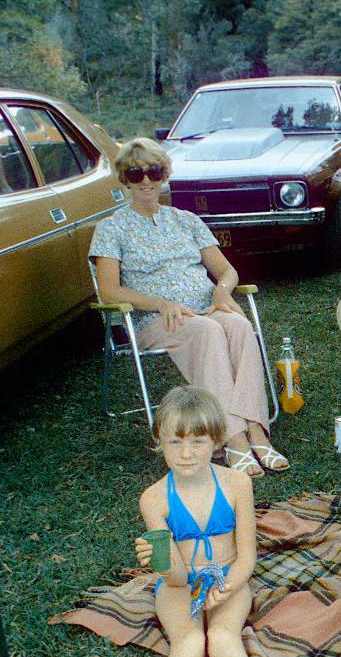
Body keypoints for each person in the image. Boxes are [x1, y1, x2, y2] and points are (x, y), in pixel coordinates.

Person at [91, 137, 286, 478]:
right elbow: (108, 290)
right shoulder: (111, 228)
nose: (146, 181)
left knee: (238, 326)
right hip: (156, 318)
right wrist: (162, 303)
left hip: (204, 308)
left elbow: (225, 271)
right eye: (136, 174)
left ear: (164, 174)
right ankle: (234, 439)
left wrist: (221, 294)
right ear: (125, 179)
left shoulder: (186, 220)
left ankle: (257, 430)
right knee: (210, 331)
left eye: (153, 171)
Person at [133, 387, 285, 657]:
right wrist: (160, 561)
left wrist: (227, 586)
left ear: (216, 441)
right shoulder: (154, 500)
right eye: (175, 442)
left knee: (221, 635)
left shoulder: (237, 484)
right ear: (159, 443)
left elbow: (248, 557)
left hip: (231, 580)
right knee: (187, 642)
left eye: (197, 441)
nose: (186, 453)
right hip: (180, 586)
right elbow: (177, 578)